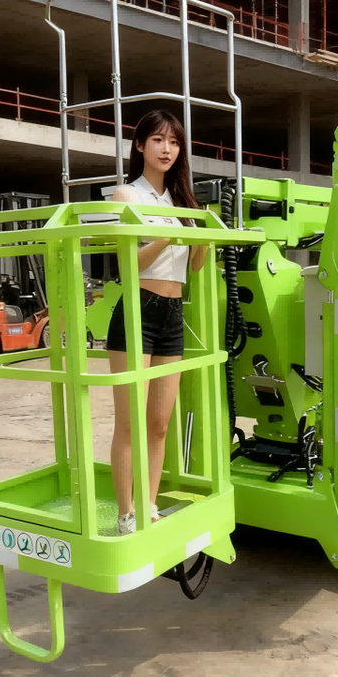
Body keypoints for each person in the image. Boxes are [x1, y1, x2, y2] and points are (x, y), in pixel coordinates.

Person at [106, 110, 208, 535]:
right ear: (140, 145)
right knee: (130, 421)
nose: (167, 149)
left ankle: (149, 505)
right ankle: (125, 513)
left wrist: (200, 235)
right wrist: (170, 235)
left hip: (172, 312)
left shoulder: (181, 202)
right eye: (158, 140)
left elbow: (194, 268)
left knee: (160, 423)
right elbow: (126, 263)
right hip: (138, 309)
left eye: (174, 142)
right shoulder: (127, 195)